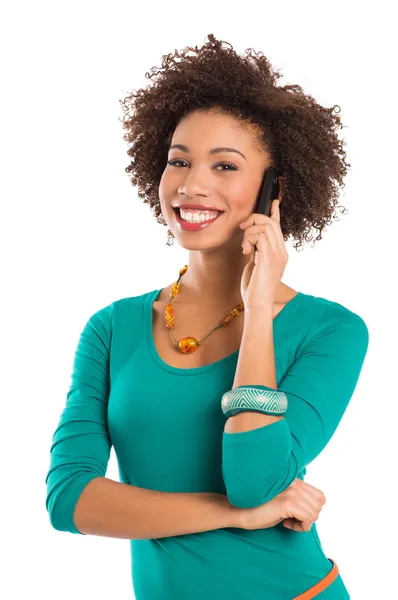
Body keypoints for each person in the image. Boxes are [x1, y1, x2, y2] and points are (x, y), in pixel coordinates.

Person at [45, 34, 369, 599]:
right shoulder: (112, 327)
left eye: (225, 165)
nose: (193, 185)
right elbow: (69, 499)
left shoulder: (331, 331)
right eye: (179, 161)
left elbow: (256, 481)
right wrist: (231, 516)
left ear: (275, 190)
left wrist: (261, 308)